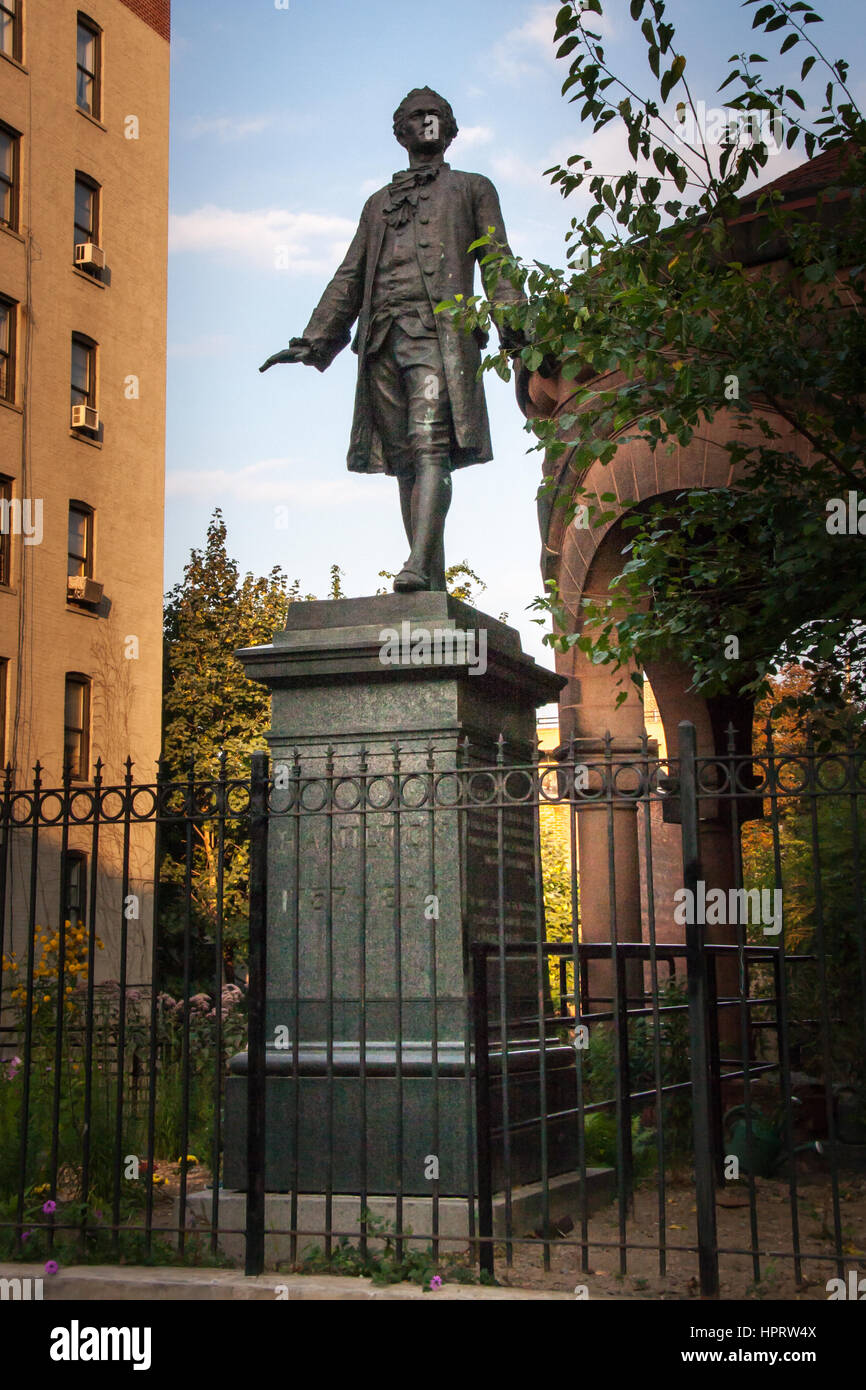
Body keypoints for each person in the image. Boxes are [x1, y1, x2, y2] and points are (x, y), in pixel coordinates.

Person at [260, 87, 524, 592]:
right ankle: (430, 580)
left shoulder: (473, 188)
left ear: (449, 130)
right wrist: (316, 339)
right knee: (406, 460)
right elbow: (351, 274)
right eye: (415, 118)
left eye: (435, 117)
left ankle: (418, 564)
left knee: (430, 448)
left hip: (438, 338)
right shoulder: (378, 204)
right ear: (399, 131)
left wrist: (516, 324)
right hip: (381, 341)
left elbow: (497, 260)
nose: (426, 124)